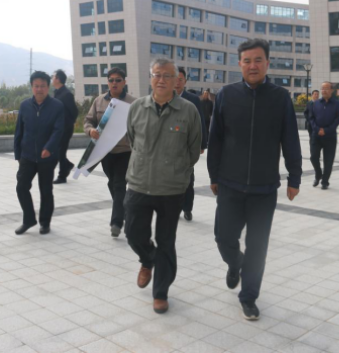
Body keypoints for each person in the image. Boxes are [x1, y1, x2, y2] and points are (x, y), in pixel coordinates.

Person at [208, 39, 302, 321]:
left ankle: (248, 297)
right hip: (230, 184)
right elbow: (216, 138)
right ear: (239, 64)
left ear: (267, 63)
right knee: (223, 237)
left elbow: (290, 138)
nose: (252, 66)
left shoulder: (280, 97)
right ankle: (235, 262)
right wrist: (214, 175)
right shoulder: (226, 95)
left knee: (258, 247)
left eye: (258, 60)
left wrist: (294, 177)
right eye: (247, 61)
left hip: (264, 188)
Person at [125, 58, 202, 314]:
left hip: (172, 189)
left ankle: (161, 293)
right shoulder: (137, 107)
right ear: (150, 78)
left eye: (167, 76)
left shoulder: (188, 110)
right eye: (157, 74)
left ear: (176, 80)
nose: (161, 80)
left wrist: (175, 170)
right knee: (133, 233)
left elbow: (193, 150)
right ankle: (148, 259)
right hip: (139, 184)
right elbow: (133, 140)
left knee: (166, 241)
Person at [83, 67, 136, 238]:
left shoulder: (133, 103)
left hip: (125, 151)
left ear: (124, 82)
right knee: (112, 183)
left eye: (118, 80)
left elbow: (139, 125)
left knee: (119, 184)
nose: (114, 83)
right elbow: (88, 121)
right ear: (107, 82)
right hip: (104, 152)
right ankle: (125, 210)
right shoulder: (98, 101)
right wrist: (91, 131)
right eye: (111, 80)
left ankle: (116, 223)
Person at [14, 71, 65, 235]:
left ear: (48, 87)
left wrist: (49, 148)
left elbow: (58, 130)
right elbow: (19, 131)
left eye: (42, 86)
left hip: (48, 157)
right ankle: (28, 219)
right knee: (21, 187)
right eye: (36, 86)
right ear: (31, 87)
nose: (39, 89)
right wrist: (18, 154)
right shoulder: (24, 105)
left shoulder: (57, 106)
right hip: (27, 156)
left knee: (46, 190)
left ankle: (45, 222)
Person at [175, 67, 207, 222]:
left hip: (187, 146)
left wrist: (202, 144)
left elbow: (200, 121)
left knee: (188, 179)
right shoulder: (164, 97)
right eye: (174, 79)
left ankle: (187, 208)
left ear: (185, 81)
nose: (177, 82)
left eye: (180, 79)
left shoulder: (193, 99)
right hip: (168, 146)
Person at [308, 82, 339, 190]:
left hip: (330, 136)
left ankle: (325, 181)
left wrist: (326, 130)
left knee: (328, 160)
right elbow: (311, 118)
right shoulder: (316, 103)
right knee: (313, 157)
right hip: (316, 135)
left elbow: (338, 119)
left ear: (331, 90)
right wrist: (317, 129)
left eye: (326, 88)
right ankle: (318, 174)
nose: (324, 90)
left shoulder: (336, 104)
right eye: (322, 88)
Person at [52, 69, 79, 184]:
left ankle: (62, 176)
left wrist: (68, 123)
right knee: (57, 151)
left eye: (53, 77)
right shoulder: (56, 93)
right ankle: (67, 165)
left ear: (58, 79)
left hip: (65, 128)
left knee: (60, 151)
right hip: (57, 128)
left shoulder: (66, 94)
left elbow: (74, 111)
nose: (52, 79)